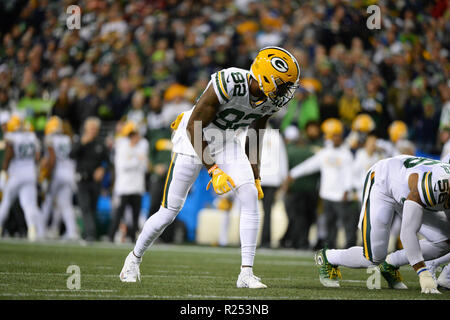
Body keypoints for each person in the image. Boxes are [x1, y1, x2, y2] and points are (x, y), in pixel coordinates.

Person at [119, 46, 300, 288]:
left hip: (226, 140)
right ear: (266, 77)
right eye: (283, 84)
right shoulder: (231, 82)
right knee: (169, 212)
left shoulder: (270, 100)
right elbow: (194, 125)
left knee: (248, 194)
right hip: (193, 138)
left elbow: (257, 131)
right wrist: (214, 169)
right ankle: (133, 259)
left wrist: (255, 174)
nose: (286, 91)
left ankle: (246, 273)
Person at [314, 155, 450, 294]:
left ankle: (391, 264)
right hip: (383, 182)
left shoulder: (439, 188)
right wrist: (423, 273)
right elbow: (408, 232)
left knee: (446, 240)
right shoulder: (433, 186)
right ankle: (328, 257)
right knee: (373, 257)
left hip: (408, 187)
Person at [287, 118, 356, 249]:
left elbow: (349, 173)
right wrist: (293, 173)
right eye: (332, 136)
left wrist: (347, 190)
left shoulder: (346, 154)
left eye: (336, 136)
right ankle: (330, 249)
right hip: (326, 194)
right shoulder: (325, 152)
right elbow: (309, 165)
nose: (334, 139)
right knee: (329, 223)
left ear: (340, 137)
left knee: (347, 223)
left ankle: (350, 248)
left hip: (341, 194)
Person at [0, 114, 43, 241]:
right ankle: (32, 229)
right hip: (30, 173)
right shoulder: (32, 136)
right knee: (29, 204)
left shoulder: (11, 137)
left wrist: (3, 172)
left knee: (6, 202)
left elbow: (9, 155)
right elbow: (37, 156)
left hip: (15, 173)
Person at [280, 122, 321, 250]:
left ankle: (293, 241)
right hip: (310, 189)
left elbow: (284, 169)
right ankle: (299, 241)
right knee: (306, 218)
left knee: (297, 217)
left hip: (294, 189)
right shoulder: (314, 151)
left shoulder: (289, 151)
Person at [108, 120, 149, 243]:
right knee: (119, 213)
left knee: (136, 215)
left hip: (137, 186)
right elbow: (123, 165)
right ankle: (111, 236)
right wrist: (137, 160)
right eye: (132, 134)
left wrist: (135, 159)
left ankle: (133, 237)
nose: (135, 137)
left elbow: (145, 166)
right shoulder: (122, 144)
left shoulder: (143, 144)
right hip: (124, 186)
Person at [70, 117, 109, 242]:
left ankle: (88, 233)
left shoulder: (100, 143)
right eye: (91, 128)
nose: (93, 131)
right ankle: (91, 233)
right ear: (86, 129)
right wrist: (82, 143)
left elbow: (108, 161)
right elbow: (71, 155)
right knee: (85, 206)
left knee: (92, 207)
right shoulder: (80, 140)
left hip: (95, 180)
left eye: (95, 128)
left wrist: (102, 169)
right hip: (82, 179)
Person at [40, 116, 78, 240]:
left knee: (48, 202)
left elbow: (52, 159)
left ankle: (40, 230)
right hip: (69, 173)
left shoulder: (50, 139)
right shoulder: (68, 138)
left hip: (57, 174)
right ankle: (72, 232)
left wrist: (48, 176)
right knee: (66, 205)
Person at [259, 123, 288, 248]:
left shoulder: (248, 133)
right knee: (267, 212)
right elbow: (282, 158)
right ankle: (265, 242)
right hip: (270, 179)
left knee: (249, 211)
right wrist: (283, 177)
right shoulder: (276, 136)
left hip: (255, 178)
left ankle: (246, 241)